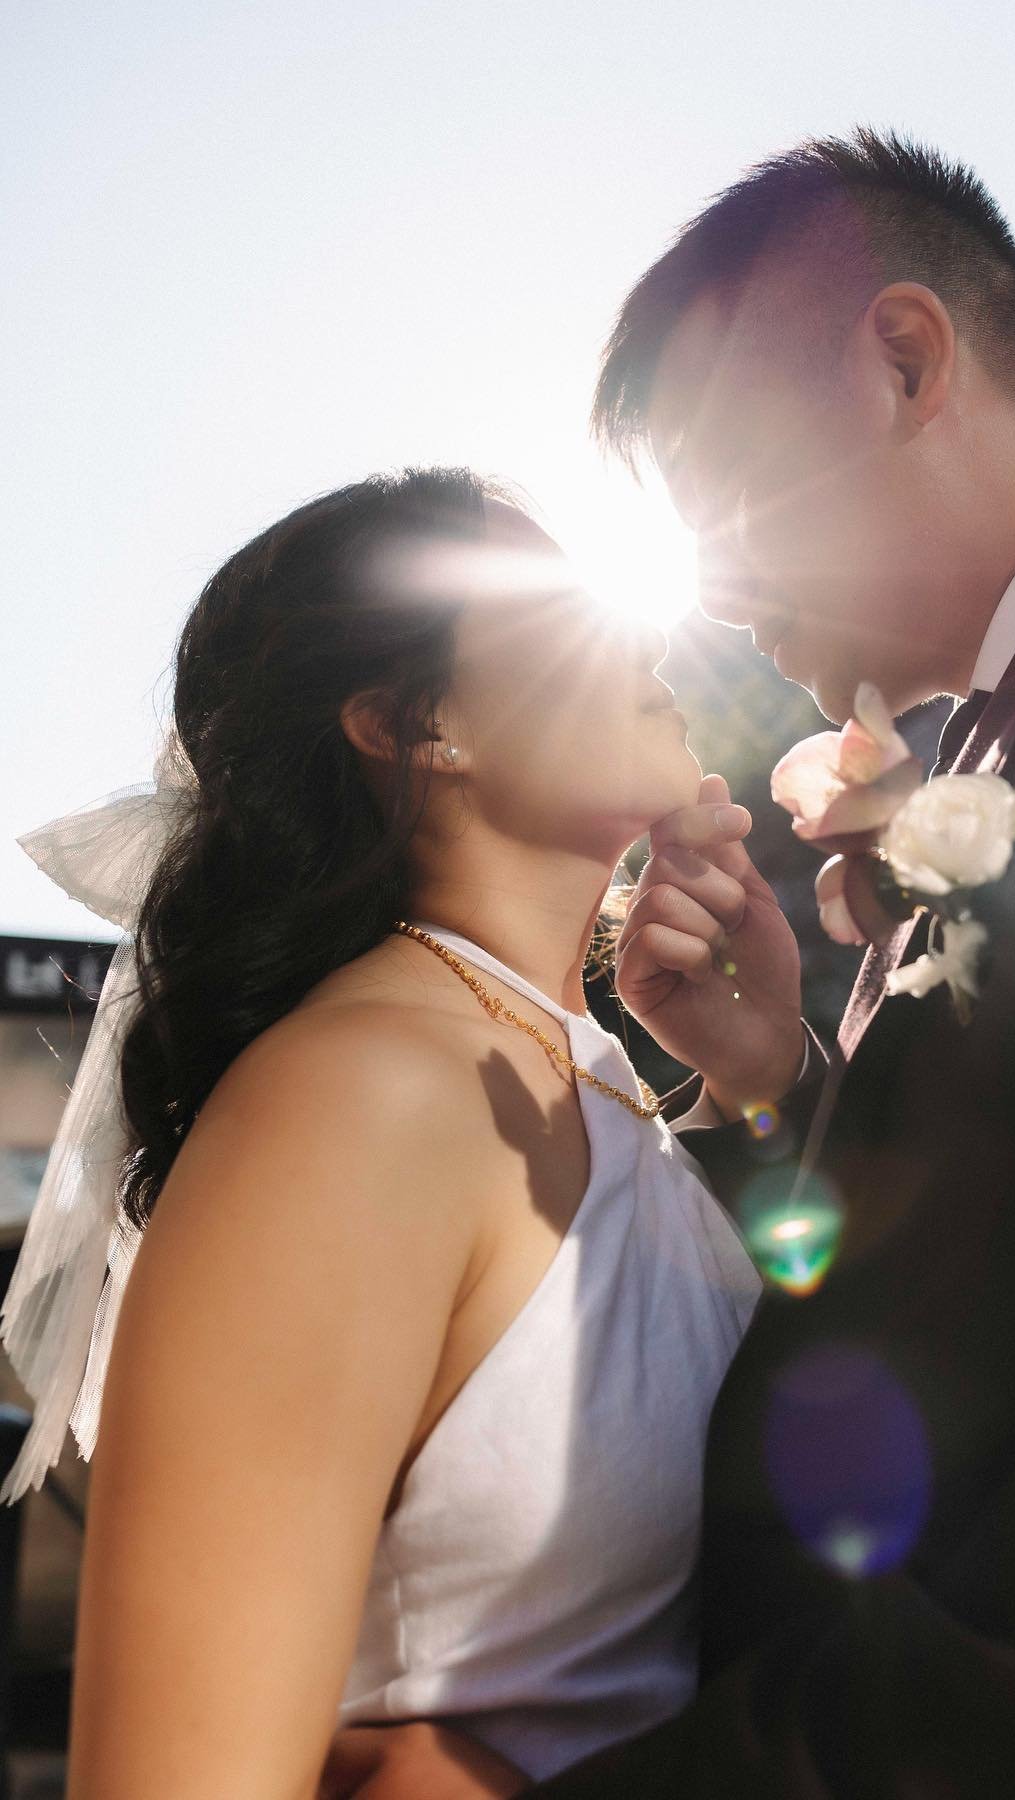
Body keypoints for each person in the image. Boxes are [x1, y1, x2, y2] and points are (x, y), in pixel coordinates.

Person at [344, 132, 1015, 1795]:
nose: (707, 586)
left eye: (712, 485)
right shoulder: (961, 797)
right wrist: (781, 1086)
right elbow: (974, 1314)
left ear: (906, 360)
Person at [1, 466, 807, 1797]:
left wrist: (756, 1077)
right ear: (416, 723)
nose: (646, 633)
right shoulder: (360, 1098)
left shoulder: (584, 1066)